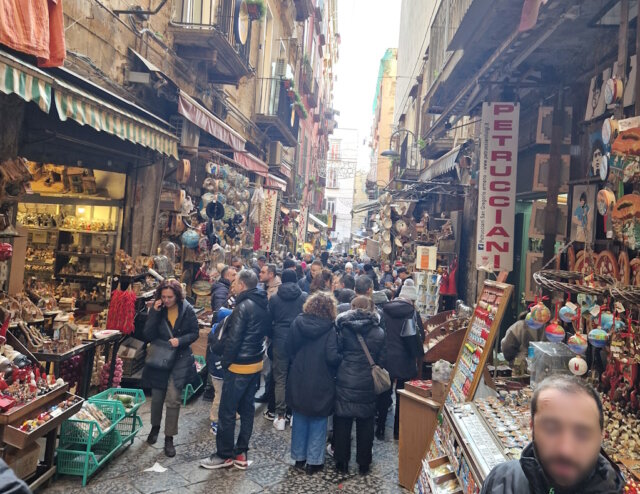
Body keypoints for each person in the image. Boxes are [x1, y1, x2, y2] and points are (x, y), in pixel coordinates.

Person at [481, 375, 624, 493]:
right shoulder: (501, 482)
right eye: (551, 429)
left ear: (600, 437)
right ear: (532, 427)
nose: (565, 450)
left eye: (582, 434)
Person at [200, 270, 271, 470]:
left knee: (227, 410)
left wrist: (225, 362)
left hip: (239, 365)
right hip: (255, 363)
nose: (233, 285)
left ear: (242, 284)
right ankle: (241, 452)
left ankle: (224, 454)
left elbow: (234, 339)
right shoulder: (262, 303)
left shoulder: (243, 306)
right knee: (247, 410)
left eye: (236, 282)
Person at [286, 291, 341, 474]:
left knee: (300, 414)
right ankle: (314, 460)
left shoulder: (297, 323)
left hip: (299, 375)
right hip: (321, 377)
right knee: (318, 417)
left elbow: (290, 347)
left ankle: (299, 457)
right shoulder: (330, 329)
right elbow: (332, 356)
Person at [143, 279, 199, 457]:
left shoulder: (187, 310)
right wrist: (154, 313)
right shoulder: (158, 310)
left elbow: (194, 333)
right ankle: (154, 428)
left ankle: (169, 438)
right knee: (157, 397)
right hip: (160, 358)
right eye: (164, 296)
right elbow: (148, 334)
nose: (166, 300)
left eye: (170, 297)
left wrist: (180, 341)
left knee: (174, 398)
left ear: (177, 296)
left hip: (180, 358)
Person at [334, 296, 385, 475]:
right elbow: (381, 360)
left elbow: (337, 352)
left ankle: (341, 461)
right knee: (365, 422)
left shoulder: (343, 329)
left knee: (342, 421)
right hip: (366, 381)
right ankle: (364, 463)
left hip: (345, 379)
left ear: (352, 307)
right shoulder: (378, 332)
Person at [380, 279, 424, 440]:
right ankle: (398, 431)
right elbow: (421, 336)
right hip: (405, 358)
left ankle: (380, 429)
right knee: (401, 395)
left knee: (385, 393)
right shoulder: (413, 313)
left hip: (387, 357)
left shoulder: (385, 310)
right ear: (412, 300)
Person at [267, 270, 308, 431]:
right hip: (298, 339)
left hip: (280, 339)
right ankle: (295, 414)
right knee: (297, 376)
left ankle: (281, 416)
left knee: (280, 378)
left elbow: (269, 319)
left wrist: (272, 335)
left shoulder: (275, 298)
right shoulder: (304, 296)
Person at [207, 307, 232, 434]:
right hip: (219, 372)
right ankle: (214, 421)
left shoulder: (216, 330)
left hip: (220, 370)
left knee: (225, 394)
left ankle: (231, 414)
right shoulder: (219, 335)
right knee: (220, 396)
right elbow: (216, 355)